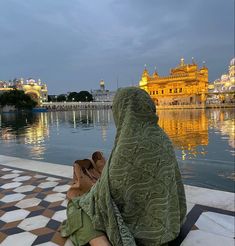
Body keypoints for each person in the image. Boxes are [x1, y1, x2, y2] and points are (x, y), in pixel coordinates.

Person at [61, 87, 186, 246]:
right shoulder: (163, 139)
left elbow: (111, 195)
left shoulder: (128, 144)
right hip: (167, 224)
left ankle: (100, 242)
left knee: (78, 207)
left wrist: (92, 194)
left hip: (133, 228)